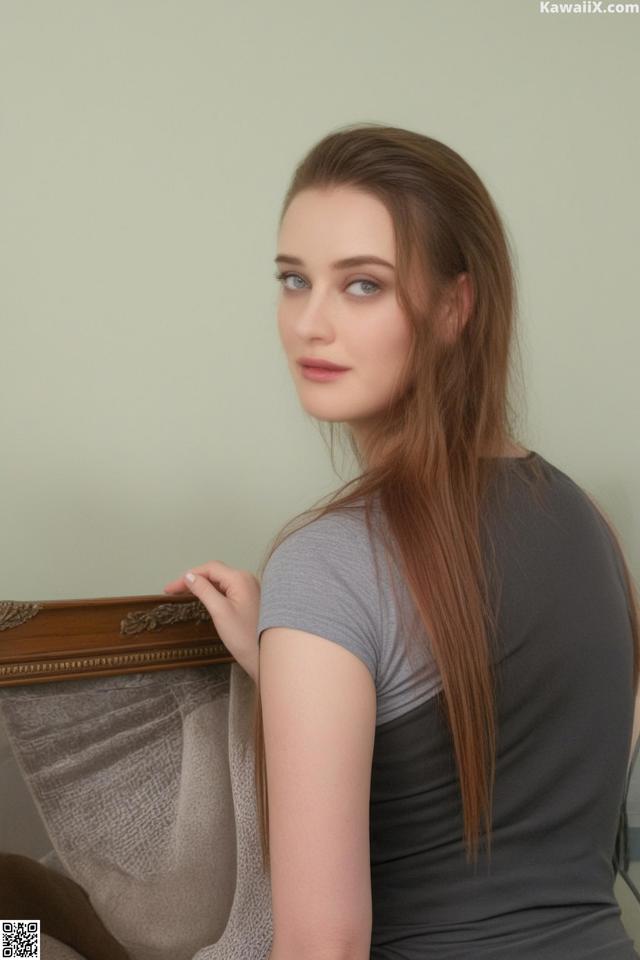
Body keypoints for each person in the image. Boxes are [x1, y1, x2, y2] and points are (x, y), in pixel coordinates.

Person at [164, 123, 640, 959]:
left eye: (362, 286)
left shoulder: (330, 563)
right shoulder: (588, 525)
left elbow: (325, 948)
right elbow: (533, 790)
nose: (309, 323)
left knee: (23, 933)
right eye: (293, 279)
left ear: (456, 304)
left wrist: (321, 625)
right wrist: (297, 657)